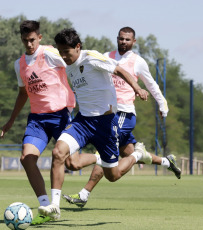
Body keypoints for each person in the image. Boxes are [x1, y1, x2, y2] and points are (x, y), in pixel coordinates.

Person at [38, 28, 151, 221]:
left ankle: (137, 154)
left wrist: (138, 88)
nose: (64, 56)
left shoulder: (91, 58)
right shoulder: (68, 64)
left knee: (112, 176)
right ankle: (54, 207)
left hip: (105, 124)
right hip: (82, 121)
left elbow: (120, 70)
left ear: (78, 47)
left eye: (67, 51)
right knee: (58, 153)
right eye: (61, 51)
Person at [63, 27, 182, 209]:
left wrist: (162, 104)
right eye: (121, 39)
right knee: (128, 154)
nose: (123, 42)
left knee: (104, 151)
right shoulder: (106, 55)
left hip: (124, 113)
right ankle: (166, 161)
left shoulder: (138, 62)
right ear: (117, 39)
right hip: (107, 112)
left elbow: (151, 84)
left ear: (134, 42)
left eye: (127, 39)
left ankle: (84, 194)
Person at [0, 20, 88, 225]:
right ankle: (47, 206)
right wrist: (11, 120)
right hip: (37, 119)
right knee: (26, 158)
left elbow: (74, 61)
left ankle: (99, 157)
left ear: (39, 37)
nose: (29, 44)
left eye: (32, 40)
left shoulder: (49, 53)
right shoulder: (19, 64)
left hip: (60, 115)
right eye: (25, 41)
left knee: (72, 163)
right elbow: (23, 93)